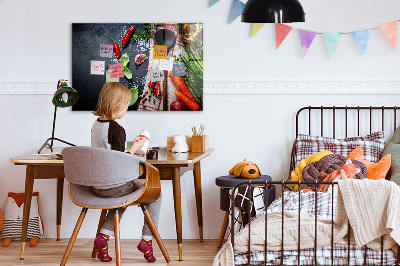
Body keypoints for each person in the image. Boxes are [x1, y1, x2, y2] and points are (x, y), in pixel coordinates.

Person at [91, 82, 161, 263]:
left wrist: (130, 149)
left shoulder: (96, 125)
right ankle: (147, 240)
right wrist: (136, 148)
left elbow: (108, 154)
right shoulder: (117, 129)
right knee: (156, 194)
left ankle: (103, 238)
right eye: (125, 106)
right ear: (117, 105)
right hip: (114, 186)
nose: (125, 110)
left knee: (121, 197)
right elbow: (119, 161)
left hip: (97, 186)